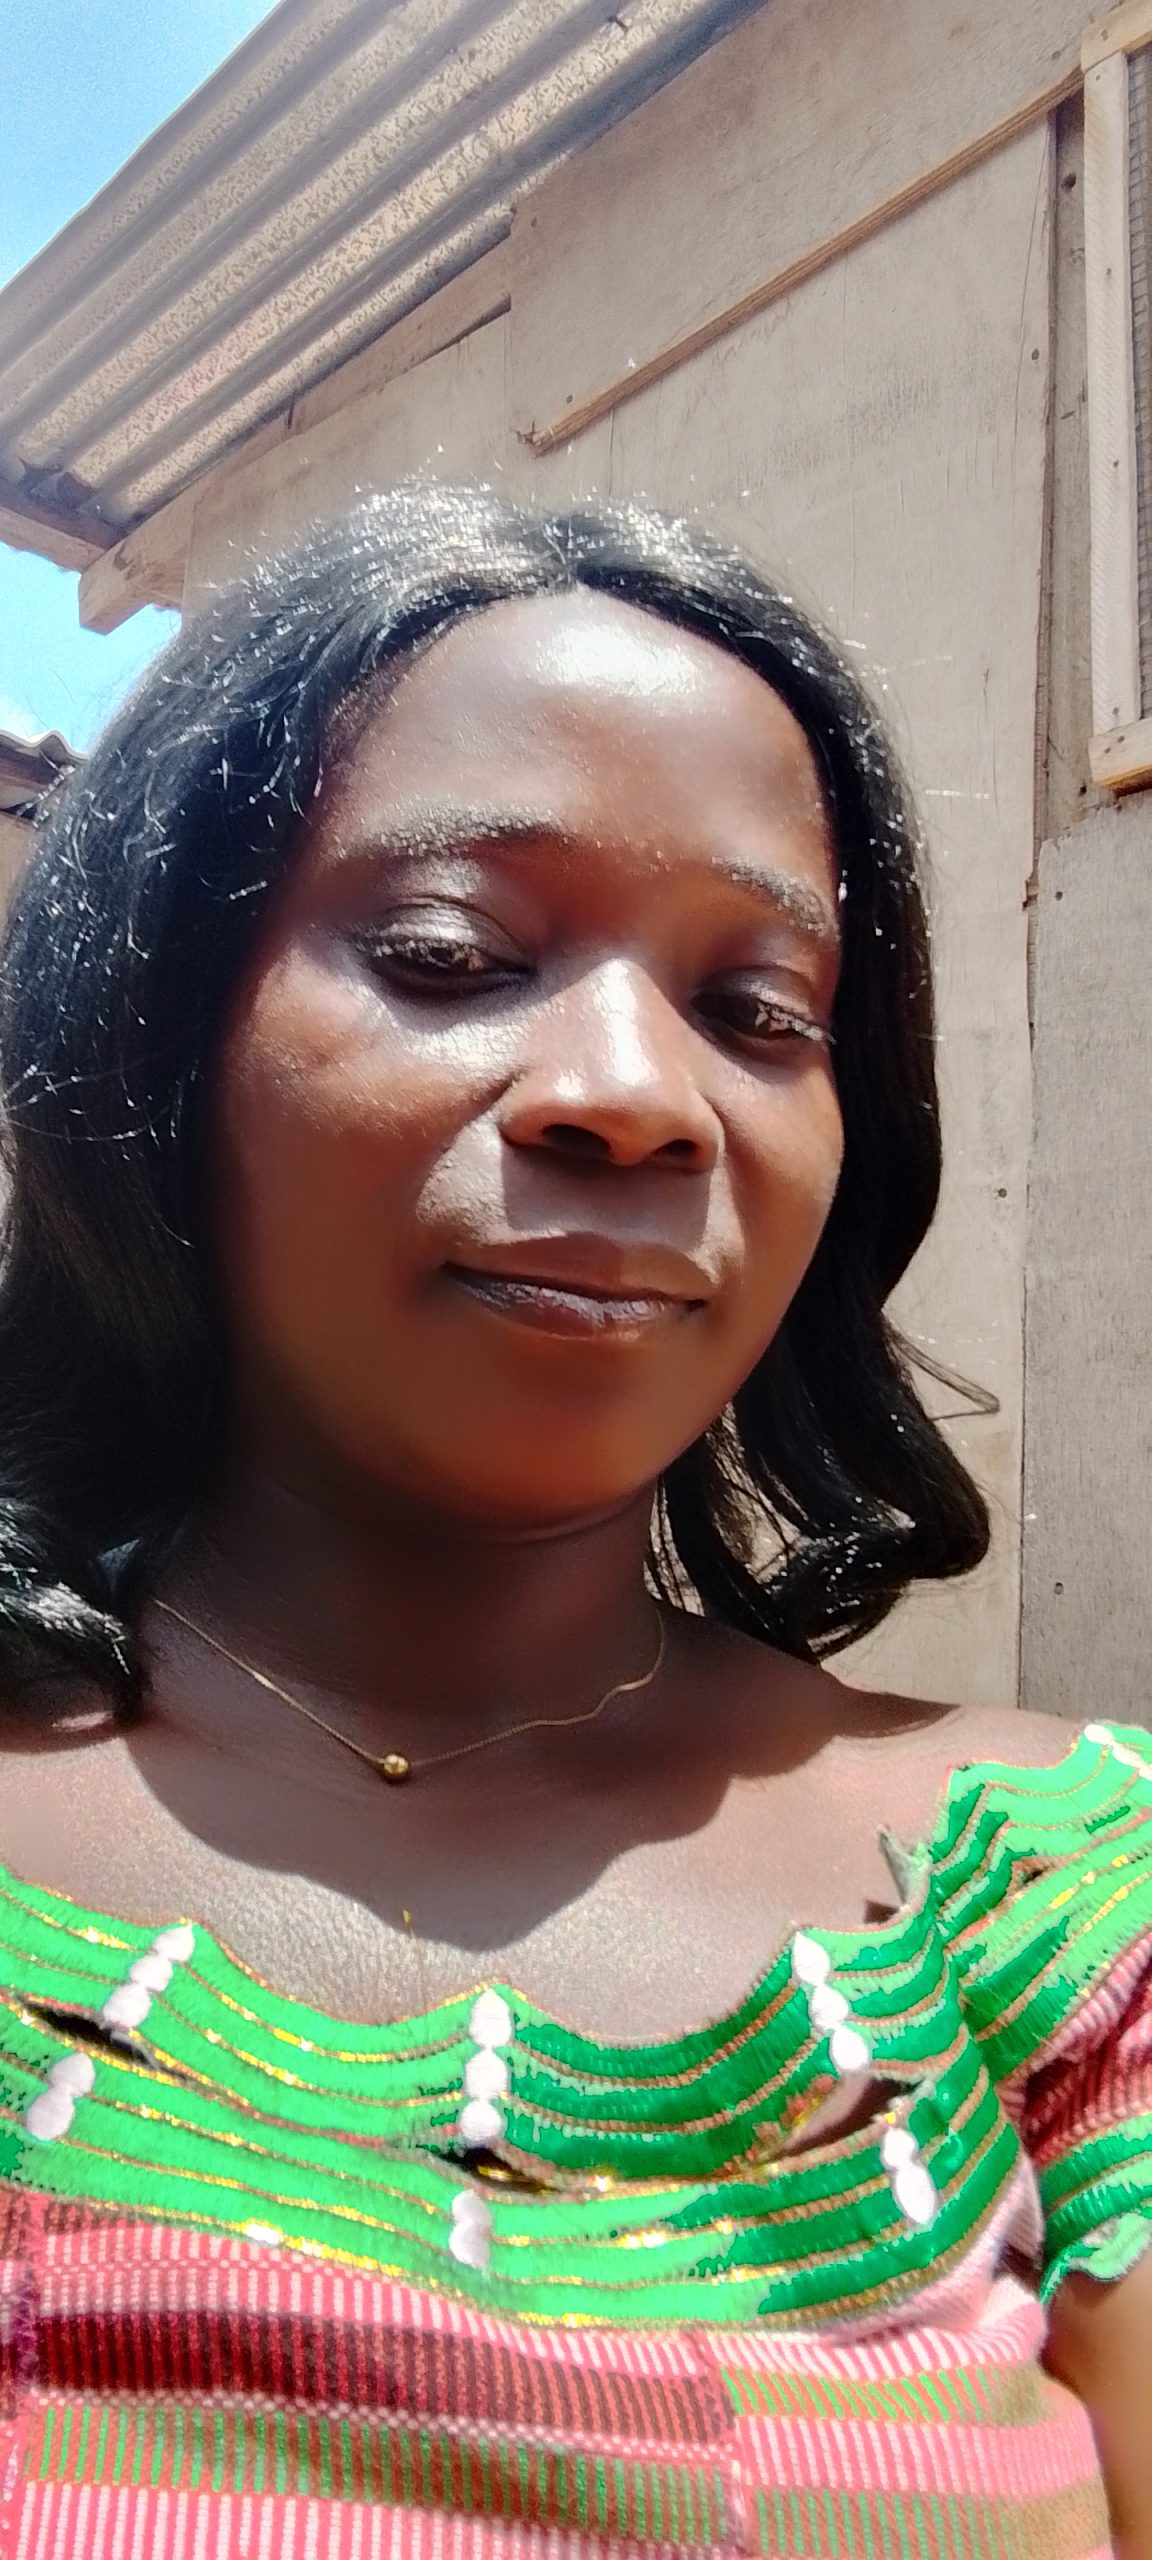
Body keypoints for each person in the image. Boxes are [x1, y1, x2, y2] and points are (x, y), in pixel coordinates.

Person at [0, 483, 1146, 2559]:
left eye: (761, 1010)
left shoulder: (1076, 1907)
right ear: (160, 1035)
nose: (635, 1092)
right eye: (450, 955)